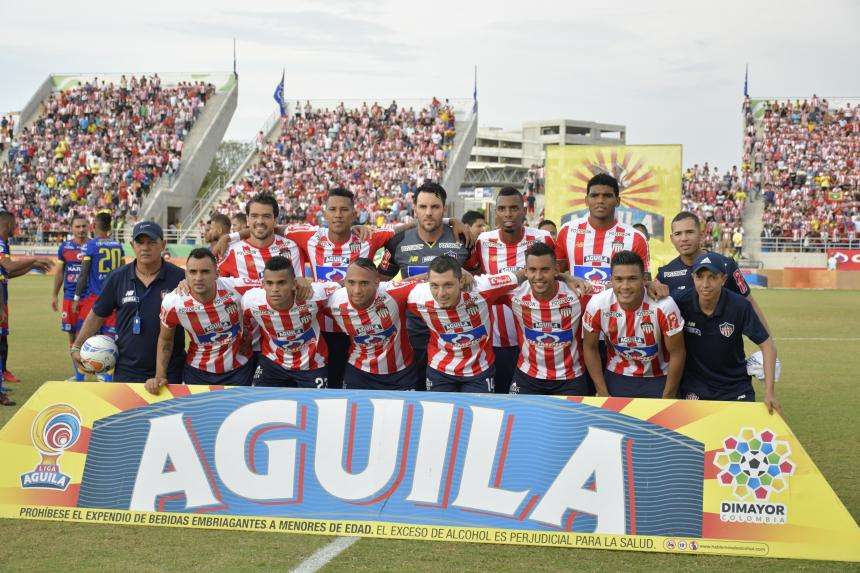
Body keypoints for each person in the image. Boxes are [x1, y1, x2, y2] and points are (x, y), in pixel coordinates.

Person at [378, 183, 472, 390]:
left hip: (456, 333)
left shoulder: (462, 238)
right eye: (423, 207)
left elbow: (478, 280)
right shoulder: (398, 242)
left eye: (435, 207)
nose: (428, 213)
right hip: (414, 333)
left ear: (444, 209)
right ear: (414, 209)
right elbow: (379, 283)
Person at [71, 221, 186, 384]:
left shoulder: (179, 278)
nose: (145, 247)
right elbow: (98, 314)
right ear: (132, 245)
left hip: (170, 371)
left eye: (152, 242)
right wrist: (77, 345)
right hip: (127, 371)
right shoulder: (117, 277)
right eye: (140, 242)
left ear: (163, 245)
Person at [467, 187, 554, 394]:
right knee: (501, 398)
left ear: (524, 210)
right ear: (495, 212)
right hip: (497, 338)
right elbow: (477, 282)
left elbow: (556, 274)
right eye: (502, 209)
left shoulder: (543, 238)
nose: (508, 214)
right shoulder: (483, 241)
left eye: (514, 208)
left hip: (536, 337)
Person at [673, 253, 781, 413]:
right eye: (700, 277)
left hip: (735, 387)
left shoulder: (740, 306)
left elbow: (767, 345)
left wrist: (769, 392)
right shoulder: (679, 303)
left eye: (712, 277)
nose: (705, 284)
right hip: (695, 387)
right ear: (693, 278)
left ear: (723, 279)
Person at [145, 248, 255, 393]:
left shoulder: (237, 288)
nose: (198, 278)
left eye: (205, 271)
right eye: (193, 272)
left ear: (217, 273)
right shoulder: (173, 303)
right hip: (197, 373)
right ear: (186, 274)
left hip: (240, 370)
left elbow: (271, 286)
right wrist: (160, 375)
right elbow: (165, 341)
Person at [408, 256, 521, 393]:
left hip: (479, 370)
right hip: (439, 370)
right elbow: (389, 289)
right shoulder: (417, 296)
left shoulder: (481, 287)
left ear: (461, 281)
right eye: (434, 285)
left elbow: (521, 275)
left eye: (448, 285)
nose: (441, 293)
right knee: (440, 414)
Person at [583, 251, 686, 398]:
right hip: (618, 374)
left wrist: (668, 396)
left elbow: (678, 353)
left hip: (659, 376)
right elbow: (589, 347)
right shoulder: (597, 305)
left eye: (632, 279)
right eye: (619, 279)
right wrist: (602, 392)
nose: (625, 286)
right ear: (611, 280)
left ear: (644, 279)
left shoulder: (665, 306)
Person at [656, 212, 771, 332]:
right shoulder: (665, 274)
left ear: (701, 234)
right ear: (672, 238)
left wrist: (767, 341)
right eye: (678, 234)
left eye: (690, 232)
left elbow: (750, 303)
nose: (684, 238)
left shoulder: (727, 265)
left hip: (725, 347)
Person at [242, 256, 339, 388]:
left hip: (312, 364)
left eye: (281, 283)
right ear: (263, 284)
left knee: (318, 405)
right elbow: (245, 321)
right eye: (269, 283)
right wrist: (246, 339)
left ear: (294, 284)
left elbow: (342, 286)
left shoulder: (314, 295)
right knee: (258, 401)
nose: (275, 289)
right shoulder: (251, 301)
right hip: (272, 362)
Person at [506, 242, 589, 395]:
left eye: (544, 270)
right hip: (527, 377)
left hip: (570, 379)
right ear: (525, 271)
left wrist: (648, 283)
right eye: (532, 270)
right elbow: (479, 288)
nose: (538, 276)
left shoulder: (578, 293)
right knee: (519, 418)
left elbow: (614, 289)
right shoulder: (514, 294)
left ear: (556, 270)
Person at [327, 258, 423, 390]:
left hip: (401, 374)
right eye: (351, 282)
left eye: (364, 283)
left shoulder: (394, 293)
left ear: (377, 282)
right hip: (358, 373)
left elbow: (427, 283)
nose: (357, 291)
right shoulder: (333, 300)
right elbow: (305, 293)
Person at [555, 173, 651, 295]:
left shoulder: (635, 238)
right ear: (586, 200)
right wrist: (568, 278)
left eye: (607, 196)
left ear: (618, 201)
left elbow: (645, 281)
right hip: (575, 310)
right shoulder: (567, 231)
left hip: (615, 312)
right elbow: (555, 273)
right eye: (594, 195)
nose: (600, 200)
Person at [0, 211, 53, 404]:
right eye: (15, 225)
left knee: (2, 339)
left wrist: (31, 267)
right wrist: (33, 260)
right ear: (7, 225)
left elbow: (7, 273)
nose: (16, 228)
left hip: (2, 297)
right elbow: (9, 266)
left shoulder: (4, 243)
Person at [219, 193, 303, 280]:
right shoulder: (231, 252)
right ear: (247, 220)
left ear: (275, 220)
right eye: (254, 216)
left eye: (266, 216)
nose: (260, 221)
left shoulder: (293, 246)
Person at [74, 211, 125, 342]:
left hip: (95, 299)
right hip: (114, 301)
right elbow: (123, 271)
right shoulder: (118, 246)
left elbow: (83, 274)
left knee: (84, 339)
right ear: (109, 226)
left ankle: (81, 363)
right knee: (110, 342)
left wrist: (76, 297)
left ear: (94, 225)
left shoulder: (91, 245)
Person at [52, 214, 90, 381]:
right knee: (72, 336)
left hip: (90, 297)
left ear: (88, 227)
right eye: (78, 226)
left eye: (84, 226)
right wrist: (54, 294)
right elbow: (60, 272)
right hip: (69, 298)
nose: (81, 230)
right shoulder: (64, 247)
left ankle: (99, 370)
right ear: (72, 228)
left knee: (92, 336)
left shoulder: (93, 246)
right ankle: (79, 375)